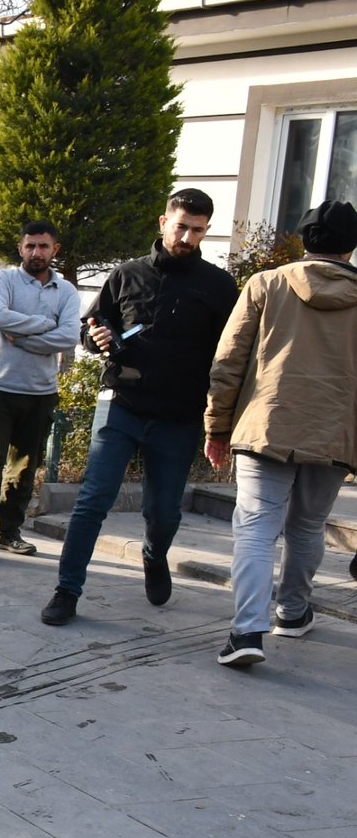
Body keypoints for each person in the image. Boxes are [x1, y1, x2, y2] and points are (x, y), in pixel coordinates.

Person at [41, 188, 238, 626]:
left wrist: (221, 420)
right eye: (181, 226)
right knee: (93, 500)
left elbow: (232, 355)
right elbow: (91, 327)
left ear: (206, 231)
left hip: (179, 417)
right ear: (163, 222)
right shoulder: (126, 274)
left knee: (163, 512)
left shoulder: (219, 286)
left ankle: (154, 554)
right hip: (121, 405)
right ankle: (66, 591)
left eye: (197, 230)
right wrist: (96, 337)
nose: (186, 237)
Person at [204, 199, 357, 667]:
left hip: (264, 424)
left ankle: (247, 633)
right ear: (350, 249)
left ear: (303, 240)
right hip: (335, 434)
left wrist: (217, 426)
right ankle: (291, 613)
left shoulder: (266, 284)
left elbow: (228, 361)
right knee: (308, 525)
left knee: (255, 527)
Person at [0, 221, 80, 562]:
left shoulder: (66, 292)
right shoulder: (3, 280)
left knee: (24, 469)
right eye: (30, 246)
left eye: (43, 246)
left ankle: (8, 532)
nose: (36, 252)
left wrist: (22, 338)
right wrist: (46, 325)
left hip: (40, 392)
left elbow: (69, 336)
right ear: (21, 248)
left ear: (55, 249)